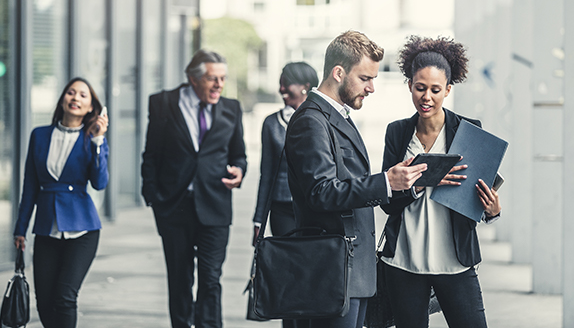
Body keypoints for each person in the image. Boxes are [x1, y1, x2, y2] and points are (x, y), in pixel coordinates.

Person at [285, 30, 428, 328]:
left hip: (351, 270)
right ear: (338, 72)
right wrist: (386, 183)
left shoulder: (335, 116)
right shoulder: (311, 121)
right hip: (333, 271)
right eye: (365, 78)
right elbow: (322, 192)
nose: (372, 88)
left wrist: (396, 181)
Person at [379, 35, 502, 328]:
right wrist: (420, 183)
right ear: (409, 85)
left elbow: (479, 197)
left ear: (448, 89)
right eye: (420, 88)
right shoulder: (397, 133)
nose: (427, 97)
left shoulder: (469, 131)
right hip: (404, 262)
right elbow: (386, 202)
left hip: (455, 261)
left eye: (435, 90)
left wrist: (492, 210)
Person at [141, 49, 247, 328]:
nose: (219, 85)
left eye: (222, 79)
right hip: (174, 207)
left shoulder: (232, 108)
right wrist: (153, 197)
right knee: (180, 279)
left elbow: (238, 155)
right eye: (212, 79)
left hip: (215, 206)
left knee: (211, 279)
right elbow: (151, 154)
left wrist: (239, 172)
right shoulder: (163, 103)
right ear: (192, 78)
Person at [13, 77, 109, 328]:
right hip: (46, 228)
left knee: (65, 297)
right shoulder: (40, 135)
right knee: (44, 301)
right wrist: (20, 228)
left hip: (83, 229)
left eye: (83, 95)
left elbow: (99, 183)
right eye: (71, 92)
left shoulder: (93, 139)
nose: (75, 98)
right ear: (63, 99)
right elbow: (30, 186)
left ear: (91, 108)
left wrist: (99, 142)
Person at [252, 62, 318, 328]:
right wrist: (258, 220)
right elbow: (265, 173)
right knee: (288, 274)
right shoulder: (271, 123)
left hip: (314, 209)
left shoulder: (320, 119)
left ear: (305, 87)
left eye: (286, 82)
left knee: (311, 273)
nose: (281, 88)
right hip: (281, 211)